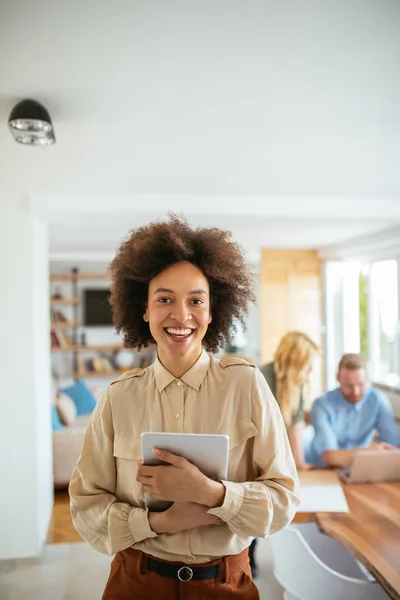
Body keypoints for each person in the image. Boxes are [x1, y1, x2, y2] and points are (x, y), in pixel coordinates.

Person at [69, 215, 300, 600]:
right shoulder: (117, 398)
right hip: (136, 582)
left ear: (213, 310)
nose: (181, 315)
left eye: (196, 300)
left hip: (226, 584)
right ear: (143, 310)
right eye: (164, 300)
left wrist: (212, 493)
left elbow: (284, 501)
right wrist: (157, 521)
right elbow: (86, 506)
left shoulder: (247, 385)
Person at [249, 330, 317, 577]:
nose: (310, 371)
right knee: (253, 507)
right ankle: (248, 555)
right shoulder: (259, 377)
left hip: (272, 458)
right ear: (296, 360)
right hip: (252, 456)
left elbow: (295, 429)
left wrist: (301, 465)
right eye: (308, 364)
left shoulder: (298, 386)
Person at [306, 353, 400, 467]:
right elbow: (330, 457)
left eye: (360, 385)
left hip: (359, 467)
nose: (355, 392)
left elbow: (393, 446)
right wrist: (369, 452)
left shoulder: (377, 400)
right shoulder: (321, 405)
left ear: (367, 379)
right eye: (349, 386)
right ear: (338, 378)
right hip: (323, 469)